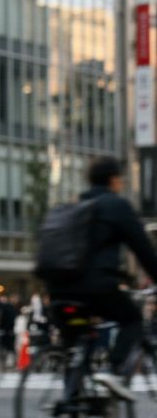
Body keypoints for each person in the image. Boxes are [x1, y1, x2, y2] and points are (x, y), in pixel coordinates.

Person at [53, 155, 157, 402]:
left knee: (75, 343)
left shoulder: (73, 206)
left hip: (59, 288)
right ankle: (114, 370)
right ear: (114, 180)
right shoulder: (116, 206)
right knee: (132, 319)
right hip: (96, 286)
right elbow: (142, 249)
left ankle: (71, 406)